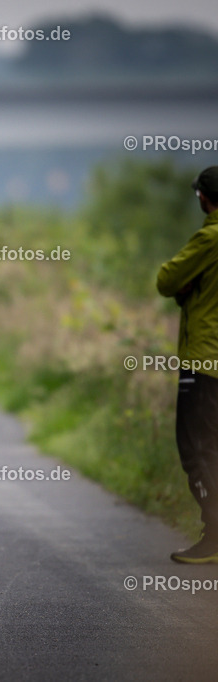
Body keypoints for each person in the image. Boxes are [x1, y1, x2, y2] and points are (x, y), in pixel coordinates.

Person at [157, 165, 218, 564]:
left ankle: (213, 534)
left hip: (206, 360)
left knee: (196, 447)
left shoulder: (210, 236)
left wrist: (185, 288)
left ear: (202, 197)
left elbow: (167, 279)